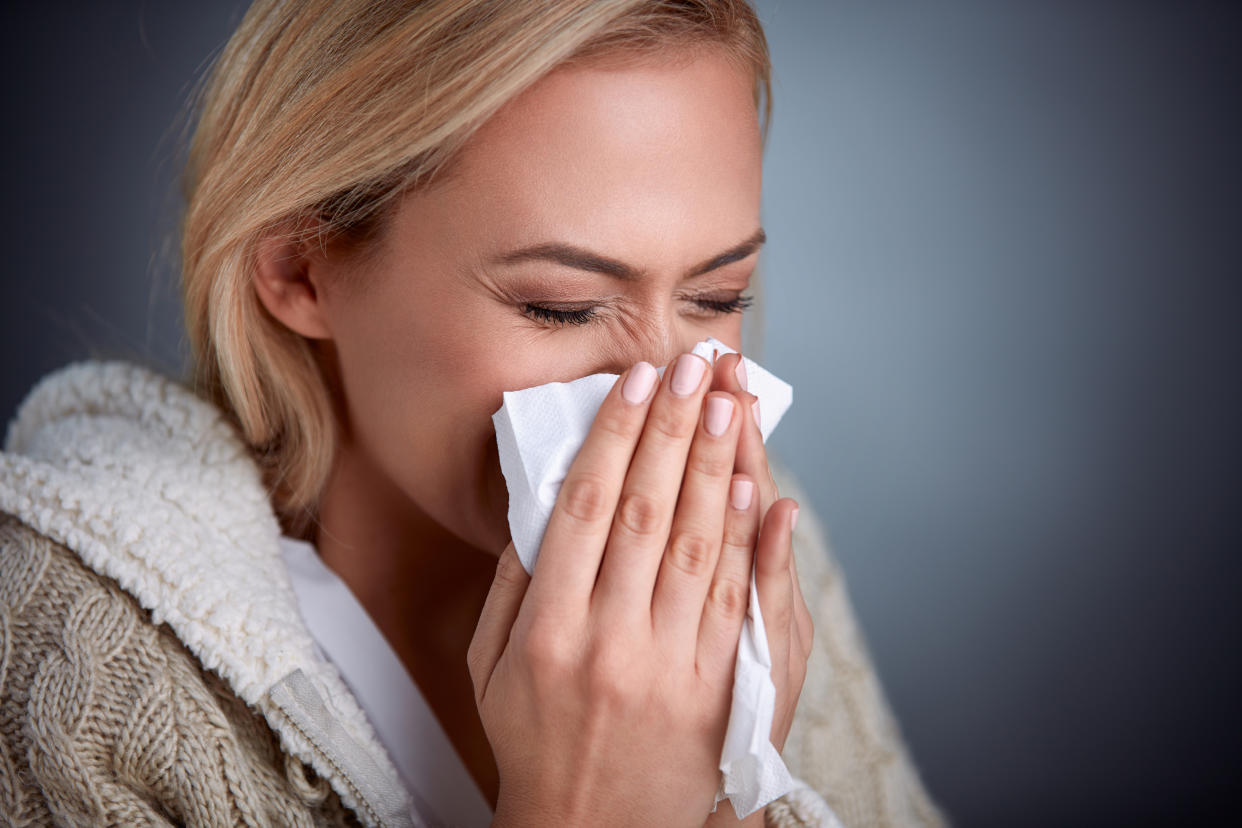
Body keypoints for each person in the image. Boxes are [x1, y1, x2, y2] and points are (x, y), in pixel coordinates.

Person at [0, 1, 944, 825]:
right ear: (300, 269)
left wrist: (728, 794)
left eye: (716, 295)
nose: (660, 395)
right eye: (559, 307)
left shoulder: (759, 562)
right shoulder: (50, 645)